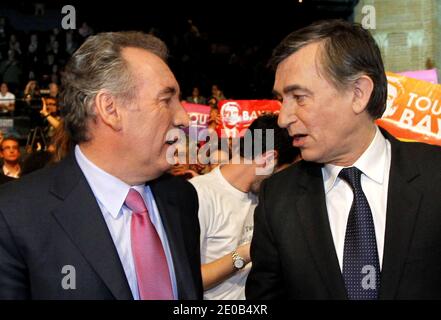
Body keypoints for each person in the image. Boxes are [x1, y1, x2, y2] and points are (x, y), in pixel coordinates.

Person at [246, 20, 441, 300]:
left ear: (358, 93)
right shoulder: (278, 198)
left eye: (299, 97)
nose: (283, 117)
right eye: (281, 100)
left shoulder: (435, 176)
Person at [0, 31, 203, 300]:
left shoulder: (182, 198)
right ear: (110, 109)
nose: (184, 117)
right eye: (166, 100)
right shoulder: (15, 215)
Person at [191, 114, 299, 300]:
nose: (283, 183)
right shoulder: (199, 194)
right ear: (268, 160)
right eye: (283, 173)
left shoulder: (263, 196)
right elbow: (186, 279)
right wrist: (246, 253)